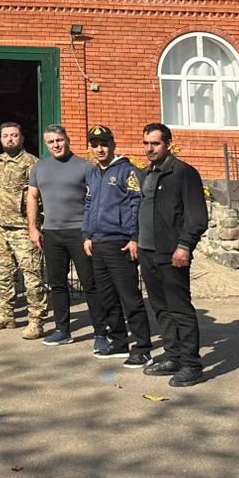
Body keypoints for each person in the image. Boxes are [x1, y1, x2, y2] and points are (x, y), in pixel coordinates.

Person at [138, 123, 209, 387]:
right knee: (160, 308)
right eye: (145, 143)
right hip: (147, 252)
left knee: (180, 309)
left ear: (168, 143)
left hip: (171, 253)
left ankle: (191, 364)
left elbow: (197, 217)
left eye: (154, 144)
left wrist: (184, 246)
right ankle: (173, 356)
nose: (149, 149)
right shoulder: (148, 173)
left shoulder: (183, 173)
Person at [82, 125, 152, 366]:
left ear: (113, 144)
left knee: (129, 298)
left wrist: (134, 237)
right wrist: (86, 234)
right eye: (94, 144)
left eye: (103, 144)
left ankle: (142, 347)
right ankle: (119, 341)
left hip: (120, 244)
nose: (99, 149)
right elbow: (88, 205)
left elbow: (136, 204)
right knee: (107, 298)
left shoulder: (127, 171)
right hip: (97, 243)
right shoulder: (92, 173)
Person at [27, 124, 100, 347]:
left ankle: (101, 333)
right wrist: (33, 227)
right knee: (57, 284)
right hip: (51, 233)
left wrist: (92, 232)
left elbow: (97, 200)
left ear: (67, 139)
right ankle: (62, 330)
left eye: (59, 140)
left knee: (90, 283)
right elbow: (32, 197)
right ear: (46, 144)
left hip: (79, 232)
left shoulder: (86, 167)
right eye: (51, 142)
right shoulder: (39, 168)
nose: (56, 145)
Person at [0, 123, 45, 337]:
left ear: (22, 138)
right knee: (3, 273)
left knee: (32, 276)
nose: (9, 139)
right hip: (1, 227)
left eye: (14, 135)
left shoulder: (32, 163)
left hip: (23, 228)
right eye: (5, 136)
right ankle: (6, 314)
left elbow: (39, 197)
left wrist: (35, 226)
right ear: (1, 139)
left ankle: (36, 320)